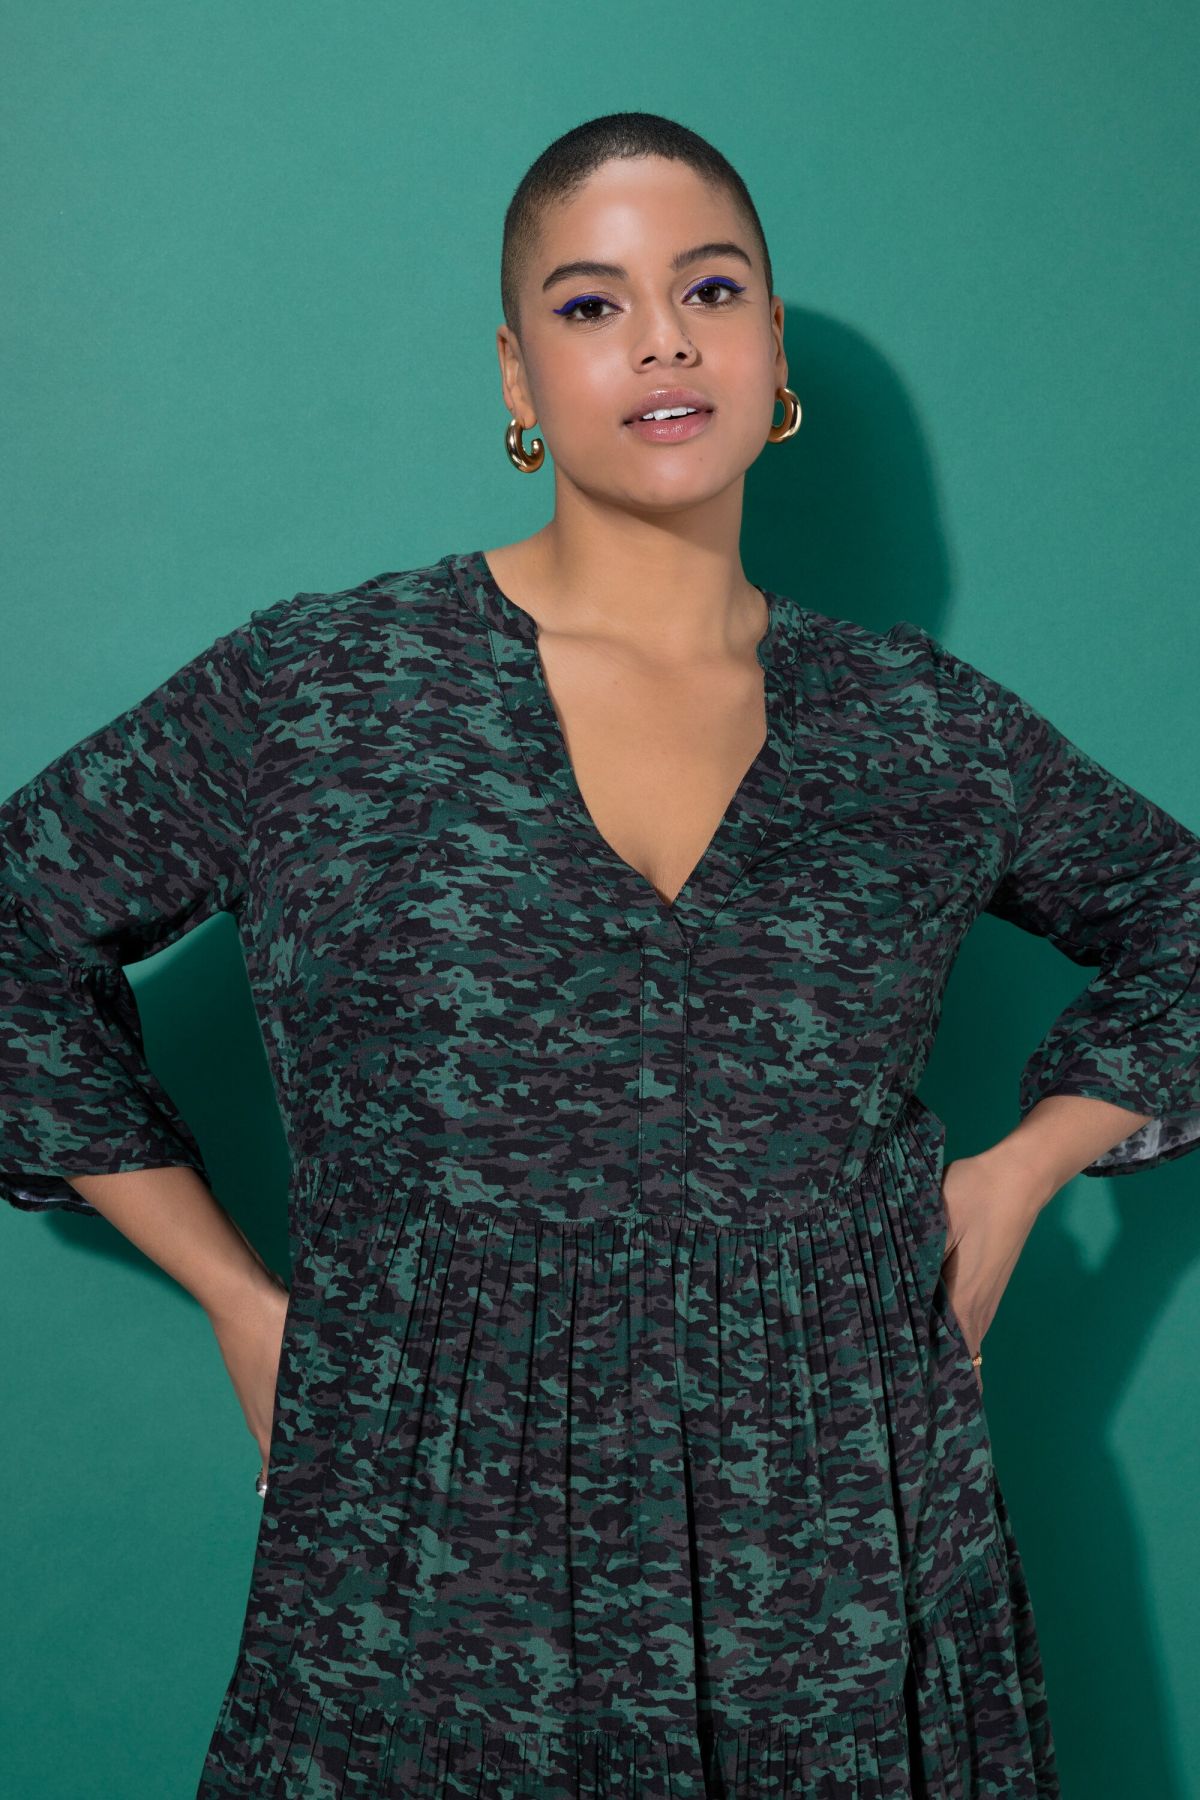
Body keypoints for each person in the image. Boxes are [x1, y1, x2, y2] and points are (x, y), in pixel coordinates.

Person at [2, 109, 1198, 1800]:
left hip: (846, 1563)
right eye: (590, 303)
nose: (662, 339)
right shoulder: (325, 693)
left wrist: (1021, 1175)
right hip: (425, 1547)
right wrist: (236, 1297)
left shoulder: (921, 730)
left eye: (711, 289)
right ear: (517, 374)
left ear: (771, 351)